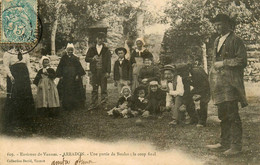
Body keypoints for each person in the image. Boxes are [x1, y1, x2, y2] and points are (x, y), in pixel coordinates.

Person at [207, 14, 248, 156]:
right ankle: (224, 142)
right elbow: (214, 61)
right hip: (219, 84)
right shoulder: (217, 40)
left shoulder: (236, 40)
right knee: (222, 114)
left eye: (220, 24)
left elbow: (242, 61)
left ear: (228, 24)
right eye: (216, 24)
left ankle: (236, 146)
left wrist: (224, 63)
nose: (217, 27)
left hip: (231, 83)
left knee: (232, 114)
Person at [3, 47, 35, 132]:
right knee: (15, 96)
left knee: (25, 96)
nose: (19, 44)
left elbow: (28, 65)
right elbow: (6, 66)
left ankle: (26, 120)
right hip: (14, 75)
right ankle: (14, 121)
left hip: (24, 76)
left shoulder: (25, 53)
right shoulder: (8, 53)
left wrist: (30, 75)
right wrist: (10, 76)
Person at [85, 32, 112, 110]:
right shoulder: (91, 49)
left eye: (102, 38)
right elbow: (86, 59)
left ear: (104, 39)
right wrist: (92, 59)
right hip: (94, 71)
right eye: (99, 38)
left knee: (104, 89)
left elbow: (109, 62)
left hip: (103, 72)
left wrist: (108, 72)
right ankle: (94, 104)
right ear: (96, 39)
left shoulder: (106, 49)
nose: (100, 40)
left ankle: (104, 104)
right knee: (94, 88)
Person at [56, 43, 86, 111]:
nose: (70, 52)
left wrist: (78, 75)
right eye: (69, 50)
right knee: (66, 91)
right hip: (66, 77)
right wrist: (60, 75)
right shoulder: (63, 58)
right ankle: (66, 105)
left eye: (71, 50)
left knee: (74, 91)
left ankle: (74, 105)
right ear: (66, 50)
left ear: (73, 51)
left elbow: (79, 68)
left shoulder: (75, 58)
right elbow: (60, 67)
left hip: (73, 77)